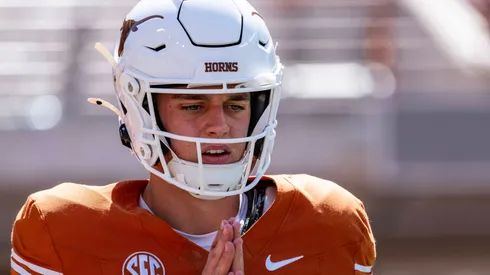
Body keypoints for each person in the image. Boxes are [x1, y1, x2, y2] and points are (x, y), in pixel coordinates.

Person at [10, 0, 376, 274]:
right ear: (140, 108)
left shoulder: (329, 223)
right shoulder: (62, 230)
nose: (219, 126)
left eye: (236, 104)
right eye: (193, 106)